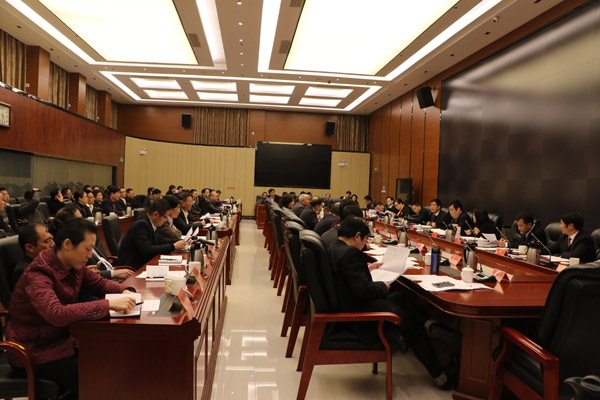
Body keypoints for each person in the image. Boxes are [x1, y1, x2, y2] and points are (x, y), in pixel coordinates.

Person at [6, 218, 138, 400]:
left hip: (61, 342)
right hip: (33, 350)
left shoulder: (73, 265)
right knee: (95, 379)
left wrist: (126, 290)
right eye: (87, 249)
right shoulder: (38, 273)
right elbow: (56, 313)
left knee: (110, 358)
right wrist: (108, 304)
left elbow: (99, 283)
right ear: (68, 244)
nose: (90, 255)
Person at [328, 216, 452, 390]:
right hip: (360, 314)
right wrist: (383, 286)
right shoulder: (350, 253)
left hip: (351, 303)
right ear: (357, 236)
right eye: (364, 240)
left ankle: (431, 325)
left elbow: (348, 279)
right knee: (412, 327)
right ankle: (441, 377)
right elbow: (362, 291)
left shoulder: (334, 247)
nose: (364, 245)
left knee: (401, 296)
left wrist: (366, 269)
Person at [116, 199, 186, 270]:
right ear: (156, 214)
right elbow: (147, 250)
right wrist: (173, 246)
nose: (165, 220)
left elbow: (160, 240)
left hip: (144, 262)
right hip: (132, 268)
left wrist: (179, 241)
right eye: (165, 217)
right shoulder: (141, 225)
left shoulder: (149, 222)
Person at [11, 223, 54, 292]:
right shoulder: (25, 271)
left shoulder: (49, 260)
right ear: (29, 248)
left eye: (51, 239)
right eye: (47, 241)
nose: (53, 244)